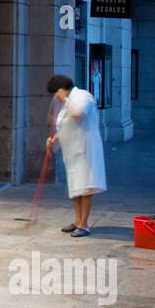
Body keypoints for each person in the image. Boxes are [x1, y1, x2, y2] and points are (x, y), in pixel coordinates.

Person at [45, 74, 106, 237]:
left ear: (61, 89)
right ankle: (77, 220)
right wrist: (53, 139)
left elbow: (78, 114)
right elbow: (66, 125)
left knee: (85, 187)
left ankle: (84, 224)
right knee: (75, 187)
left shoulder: (82, 96)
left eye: (55, 93)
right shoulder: (68, 101)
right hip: (72, 151)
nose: (55, 98)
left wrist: (65, 100)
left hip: (85, 149)